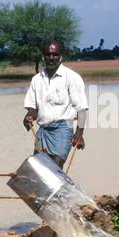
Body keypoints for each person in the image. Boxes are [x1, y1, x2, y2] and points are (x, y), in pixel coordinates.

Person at [22, 39, 87, 167]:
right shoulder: (36, 80)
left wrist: (79, 134)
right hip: (43, 131)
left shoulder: (72, 77)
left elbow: (82, 109)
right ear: (43, 57)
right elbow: (33, 108)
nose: (51, 58)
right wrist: (29, 116)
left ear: (61, 57)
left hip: (63, 130)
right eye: (48, 54)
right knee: (38, 170)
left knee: (55, 169)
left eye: (55, 54)